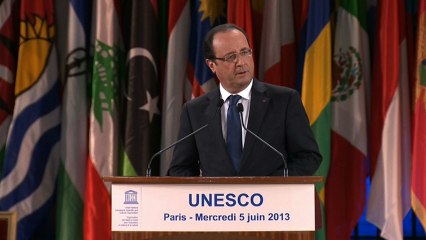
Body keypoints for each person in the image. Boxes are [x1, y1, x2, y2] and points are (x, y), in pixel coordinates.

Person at [167, 23, 322, 177]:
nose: (241, 62)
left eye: (245, 52)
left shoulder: (285, 101)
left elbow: (308, 157)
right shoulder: (194, 111)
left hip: (271, 199)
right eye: (231, 57)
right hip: (215, 200)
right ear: (212, 65)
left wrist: (272, 186)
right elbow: (180, 169)